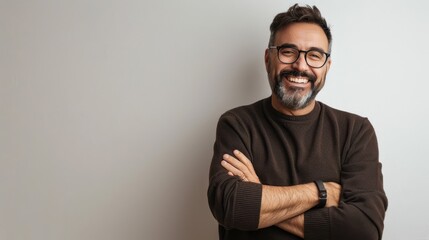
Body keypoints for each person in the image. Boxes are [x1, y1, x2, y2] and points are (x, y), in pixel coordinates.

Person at [207, 3, 388, 240]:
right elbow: (231, 207)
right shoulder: (237, 124)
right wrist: (320, 192)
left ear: (327, 67)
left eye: (315, 55)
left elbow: (364, 230)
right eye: (288, 51)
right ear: (268, 58)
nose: (301, 66)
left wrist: (261, 200)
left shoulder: (355, 131)